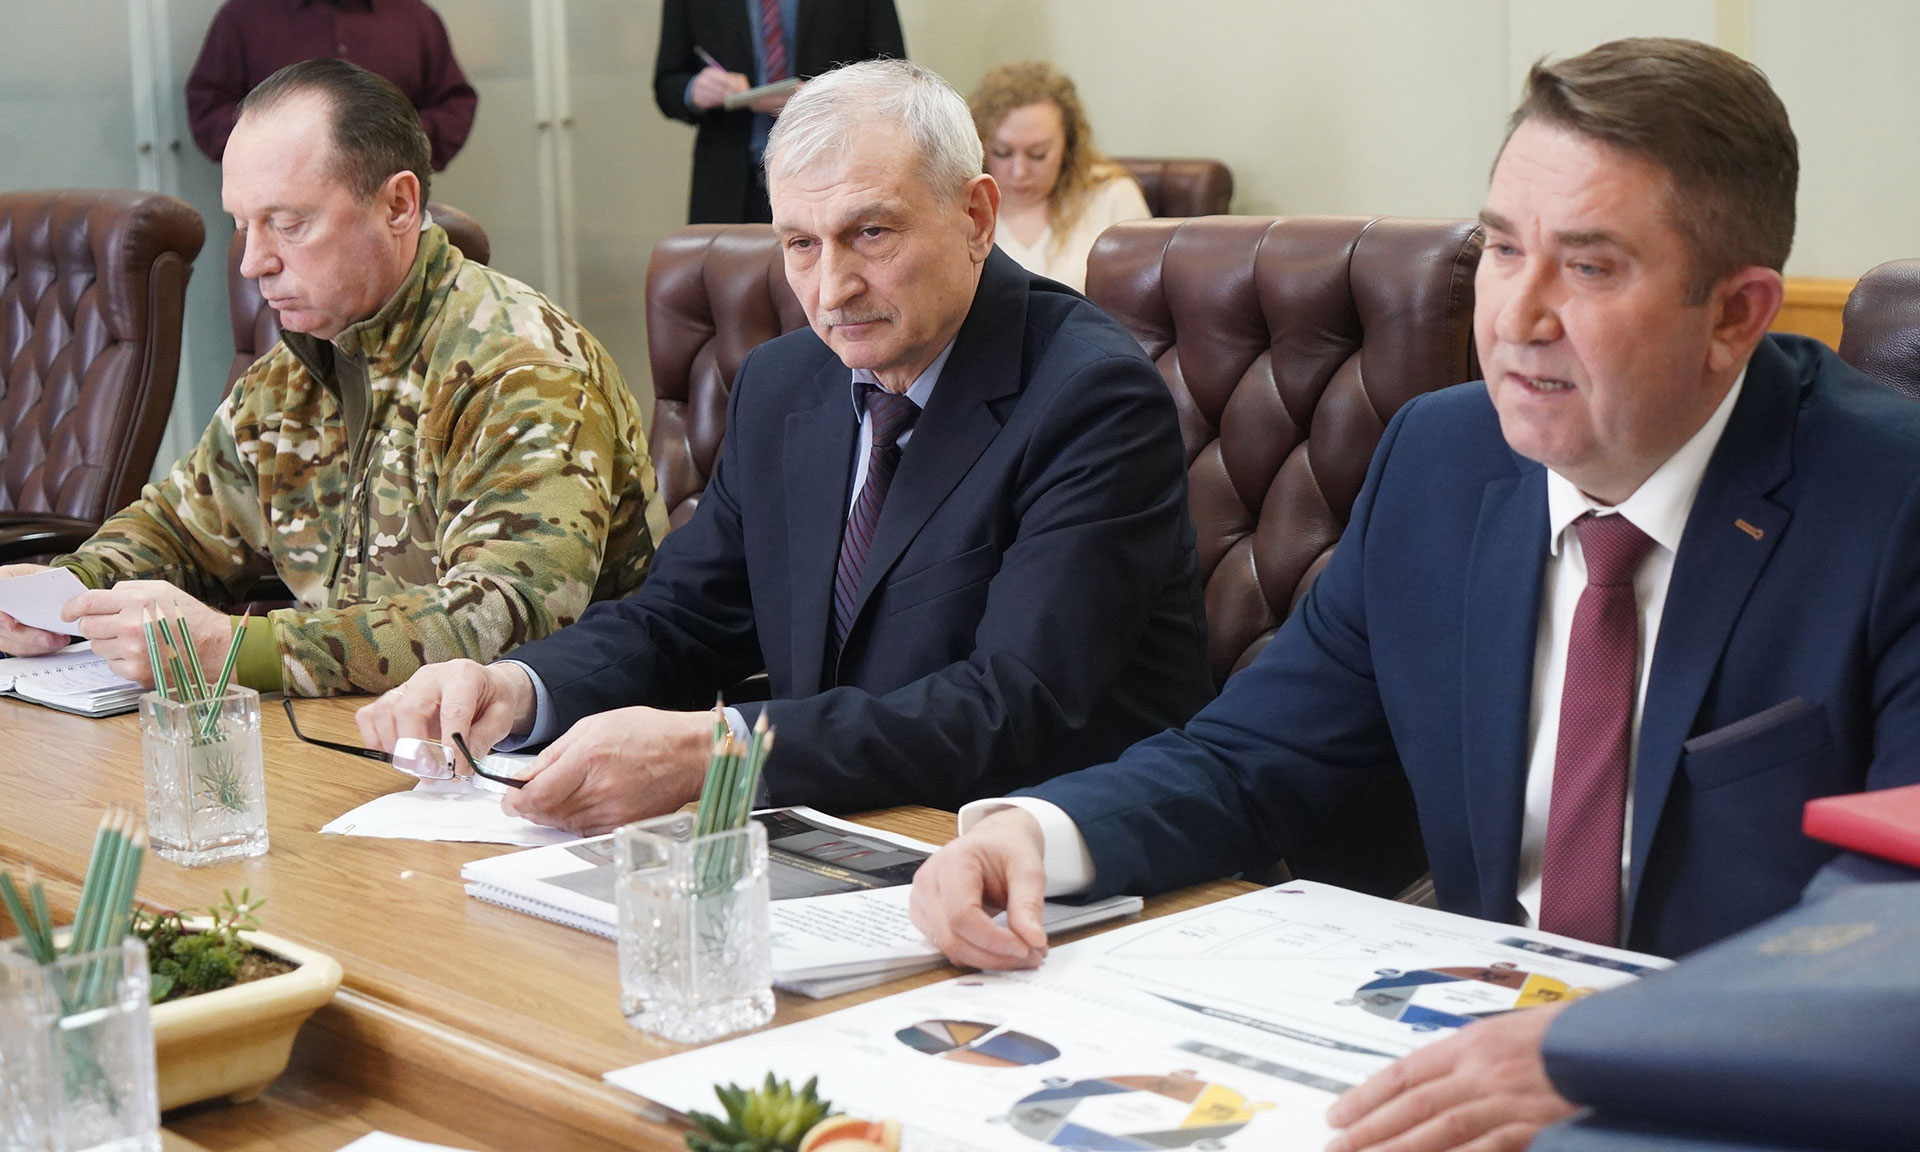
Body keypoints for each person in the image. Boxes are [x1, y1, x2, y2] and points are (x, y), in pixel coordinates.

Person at [909, 37, 1920, 1152]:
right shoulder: (1444, 459)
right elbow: (1254, 756)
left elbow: (1896, 928)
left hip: (1741, 1098)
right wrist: (1039, 836)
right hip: (1464, 1055)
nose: (1516, 316)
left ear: (1736, 315)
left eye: (1589, 269)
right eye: (1504, 248)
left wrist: (1616, 1059)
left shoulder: (1892, 506)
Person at [357, 58, 1212, 835]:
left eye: (871, 233)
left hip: (1047, 856)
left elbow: (1014, 706)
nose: (832, 288)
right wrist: (514, 687)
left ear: (976, 216)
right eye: (801, 243)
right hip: (835, 836)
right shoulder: (785, 382)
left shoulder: (1091, 395)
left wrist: (719, 752)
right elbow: (684, 618)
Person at [0, 58, 661, 698]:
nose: (253, 262)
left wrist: (241, 650)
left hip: (537, 746)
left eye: (289, 224)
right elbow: (178, 530)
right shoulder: (294, 372)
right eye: (242, 226)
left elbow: (507, 614)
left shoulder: (520, 370)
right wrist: (61, 595)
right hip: (356, 729)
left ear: (398, 205)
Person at [653, 0, 905, 224]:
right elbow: (667, 84)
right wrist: (693, 89)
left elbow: (893, 78)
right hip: (729, 181)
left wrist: (821, 98)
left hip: (834, 173)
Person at [185, 0, 478, 171]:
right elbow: (208, 106)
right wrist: (273, 149)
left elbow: (454, 102)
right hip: (278, 215)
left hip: (393, 204)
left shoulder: (415, 16)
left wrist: (403, 144)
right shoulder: (244, 16)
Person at [968, 61, 1150, 293]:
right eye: (1002, 152)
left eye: (1038, 154)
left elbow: (1143, 301)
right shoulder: (964, 207)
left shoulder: (1112, 198)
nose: (1019, 171)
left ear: (1068, 145)